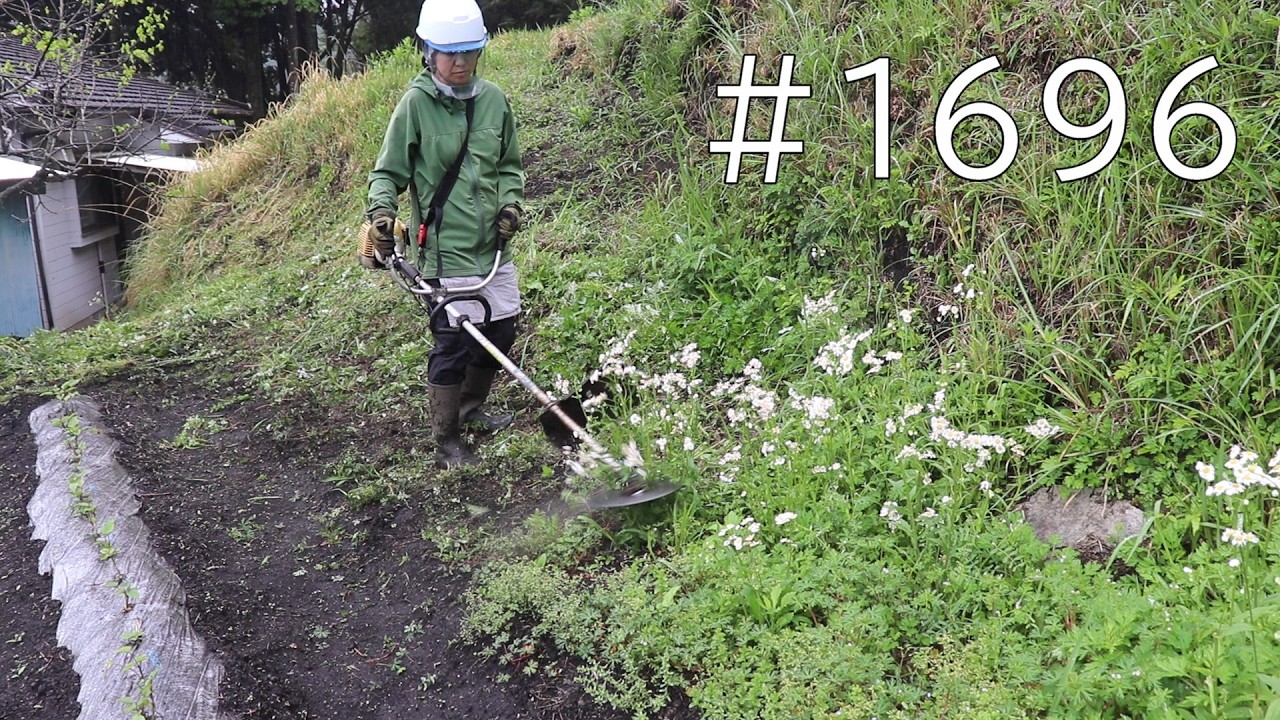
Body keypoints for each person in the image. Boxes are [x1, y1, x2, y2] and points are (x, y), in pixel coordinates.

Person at [363, 0, 525, 469]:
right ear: (427, 52)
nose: (459, 63)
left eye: (469, 52)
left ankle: (473, 407)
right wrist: (380, 214)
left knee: (501, 328)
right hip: (442, 250)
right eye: (448, 53)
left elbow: (510, 165)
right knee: (452, 343)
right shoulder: (415, 105)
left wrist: (511, 206)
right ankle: (447, 438)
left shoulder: (493, 100)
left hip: (492, 247)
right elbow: (387, 172)